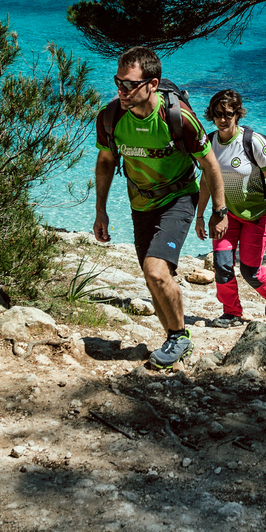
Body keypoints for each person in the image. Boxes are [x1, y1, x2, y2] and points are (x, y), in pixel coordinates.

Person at [94, 46, 226, 370]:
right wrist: (101, 210)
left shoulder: (179, 119)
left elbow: (210, 166)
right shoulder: (111, 118)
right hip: (140, 203)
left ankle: (180, 337)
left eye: (129, 84)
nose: (121, 91)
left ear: (152, 84)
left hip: (179, 197)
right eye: (118, 82)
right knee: (153, 279)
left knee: (155, 269)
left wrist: (217, 211)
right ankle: (174, 338)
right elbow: (106, 161)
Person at [195, 89, 266, 327]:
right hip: (227, 215)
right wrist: (200, 216)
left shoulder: (253, 142)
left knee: (250, 271)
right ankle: (232, 313)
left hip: (257, 215)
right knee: (222, 265)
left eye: (228, 114)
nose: (222, 120)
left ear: (238, 115)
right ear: (211, 116)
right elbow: (205, 181)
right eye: (217, 115)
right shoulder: (210, 143)